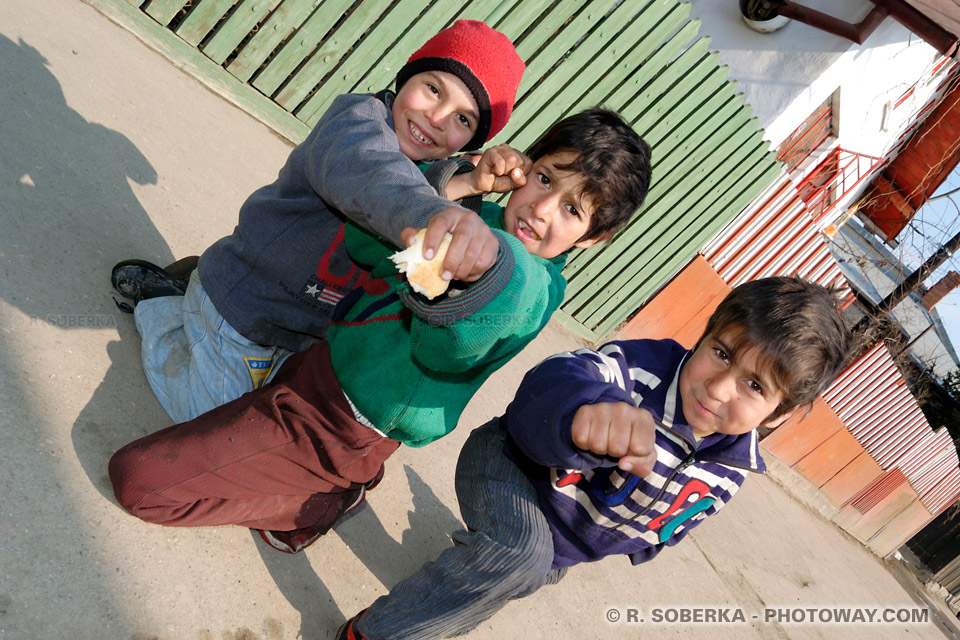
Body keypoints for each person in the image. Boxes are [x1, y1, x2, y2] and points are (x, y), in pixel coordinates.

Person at [108, 107, 654, 555]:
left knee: (141, 483)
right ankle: (349, 478)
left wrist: (481, 262)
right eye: (544, 179)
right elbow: (370, 244)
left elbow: (455, 339)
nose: (540, 208)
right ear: (525, 166)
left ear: (591, 240)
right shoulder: (480, 217)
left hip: (339, 426)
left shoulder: (531, 283)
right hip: (316, 365)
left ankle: (318, 502)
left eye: (572, 210)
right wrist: (460, 187)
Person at [333, 276, 852, 640]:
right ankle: (373, 632)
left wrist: (639, 543)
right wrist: (585, 412)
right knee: (519, 558)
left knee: (525, 572)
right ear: (705, 334)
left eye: (754, 385)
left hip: (569, 539)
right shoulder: (640, 373)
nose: (718, 388)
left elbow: (680, 517)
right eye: (721, 352)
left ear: (778, 414)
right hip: (511, 463)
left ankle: (492, 568)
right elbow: (566, 374)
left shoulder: (734, 470)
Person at [110, 20, 526, 423]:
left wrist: (471, 181)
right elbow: (379, 180)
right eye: (433, 89)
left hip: (304, 331)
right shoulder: (355, 124)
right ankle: (163, 307)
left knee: (271, 421)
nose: (437, 119)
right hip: (244, 305)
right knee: (207, 423)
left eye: (463, 120)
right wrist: (439, 216)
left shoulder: (424, 164)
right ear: (407, 76)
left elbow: (420, 185)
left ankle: (196, 298)